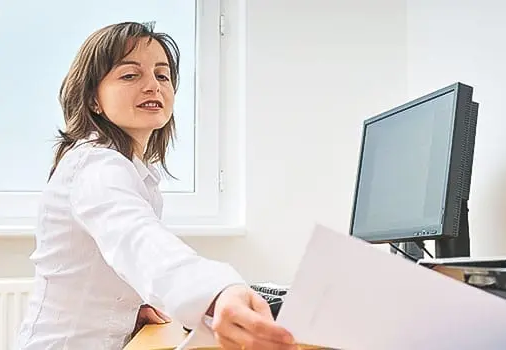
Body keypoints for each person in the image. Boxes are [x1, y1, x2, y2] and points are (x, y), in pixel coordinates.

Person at [16, 21, 297, 350]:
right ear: (93, 99)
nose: (153, 86)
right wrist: (219, 293)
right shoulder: (95, 166)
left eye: (162, 75)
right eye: (130, 75)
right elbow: (137, 238)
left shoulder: (130, 169)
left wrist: (128, 310)